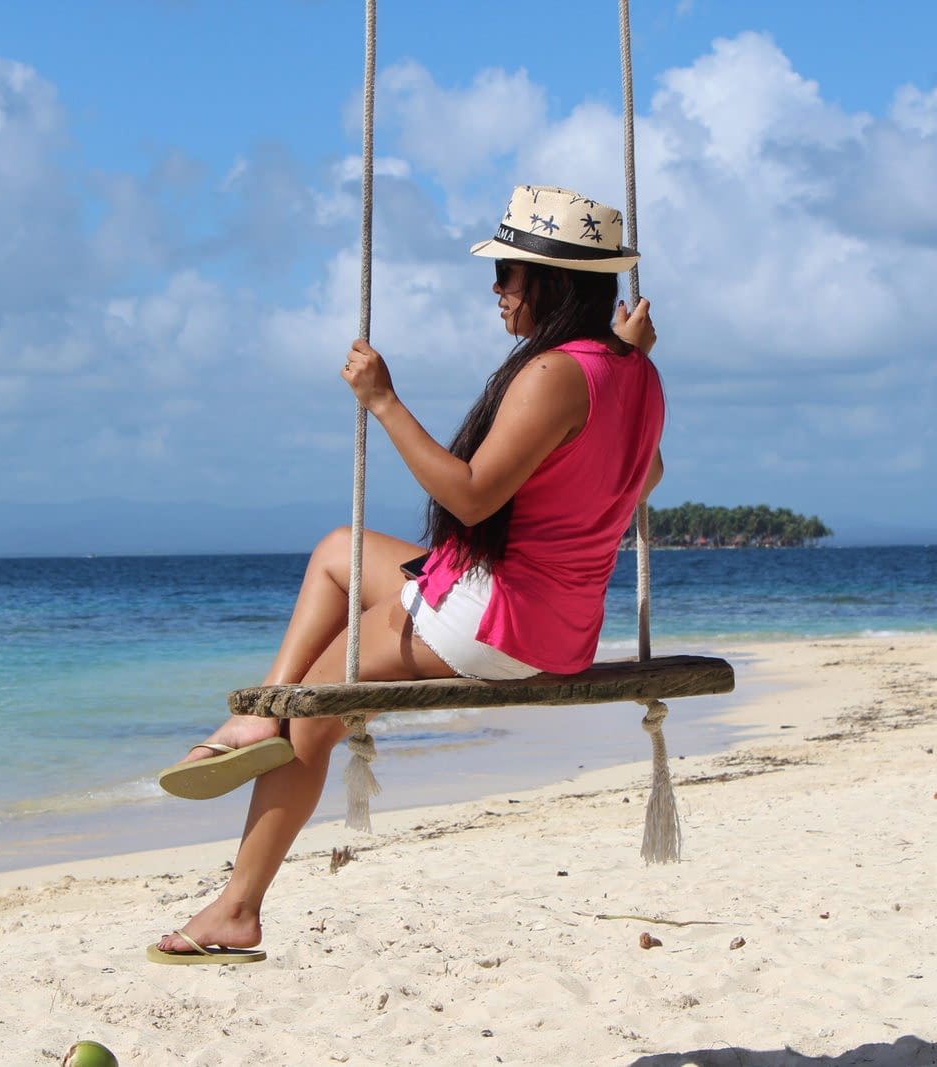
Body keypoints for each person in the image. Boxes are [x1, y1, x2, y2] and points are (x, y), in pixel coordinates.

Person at [149, 184, 667, 963]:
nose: (496, 292)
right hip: (557, 624)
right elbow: (645, 473)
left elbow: (471, 492)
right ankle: (257, 719)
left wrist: (384, 401)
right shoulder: (638, 375)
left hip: (499, 621)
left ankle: (236, 907)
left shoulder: (558, 372)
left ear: (553, 282)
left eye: (507, 276)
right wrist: (628, 356)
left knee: (316, 709)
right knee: (336, 553)